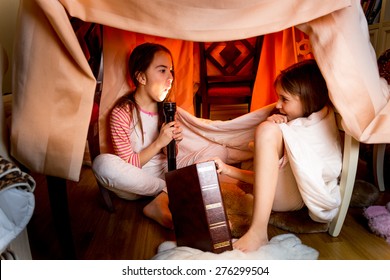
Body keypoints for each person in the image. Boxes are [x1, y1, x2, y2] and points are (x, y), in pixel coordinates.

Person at [92, 42, 227, 229]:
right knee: (102, 163)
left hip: (166, 171)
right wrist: (158, 143)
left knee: (218, 152)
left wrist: (171, 144)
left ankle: (163, 197)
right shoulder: (122, 112)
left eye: (171, 71)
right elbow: (129, 164)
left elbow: (169, 157)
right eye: (162, 70)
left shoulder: (166, 109)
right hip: (139, 180)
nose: (170, 78)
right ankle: (171, 189)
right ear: (141, 77)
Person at [212, 59, 341, 252]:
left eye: (285, 99)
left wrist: (279, 131)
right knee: (266, 130)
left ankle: (258, 231)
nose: (278, 105)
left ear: (308, 97)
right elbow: (269, 177)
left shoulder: (318, 128)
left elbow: (323, 169)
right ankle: (258, 229)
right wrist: (228, 169)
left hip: (297, 199)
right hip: (287, 196)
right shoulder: (292, 126)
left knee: (266, 130)